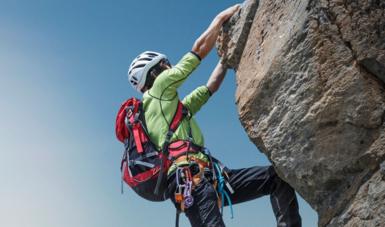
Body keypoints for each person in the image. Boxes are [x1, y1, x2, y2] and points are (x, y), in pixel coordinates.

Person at [127, 4, 302, 227]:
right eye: (164, 65)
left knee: (276, 178)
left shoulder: (172, 109)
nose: (169, 68)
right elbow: (196, 53)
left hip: (210, 177)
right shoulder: (157, 90)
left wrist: (227, 59)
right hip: (191, 181)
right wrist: (219, 20)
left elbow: (210, 88)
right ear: (154, 72)